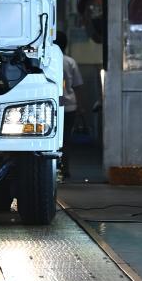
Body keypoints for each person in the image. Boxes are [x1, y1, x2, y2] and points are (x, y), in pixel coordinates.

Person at [57, 31, 85, 180]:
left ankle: (54, 170)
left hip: (52, 107)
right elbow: (78, 86)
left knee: (52, 140)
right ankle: (64, 169)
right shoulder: (70, 62)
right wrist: (80, 106)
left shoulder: (46, 60)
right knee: (66, 139)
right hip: (69, 106)